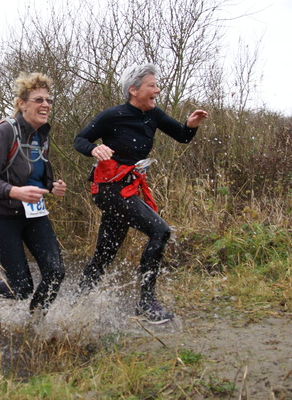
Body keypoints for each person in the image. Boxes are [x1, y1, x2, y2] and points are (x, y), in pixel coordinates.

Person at [73, 63, 208, 323]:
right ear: (134, 90)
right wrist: (93, 149)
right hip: (109, 188)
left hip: (127, 189)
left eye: (156, 85)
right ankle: (146, 304)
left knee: (105, 253)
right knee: (161, 231)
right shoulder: (112, 115)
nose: (157, 90)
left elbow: (182, 136)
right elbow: (80, 139)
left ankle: (76, 304)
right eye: (152, 86)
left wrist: (191, 125)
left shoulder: (154, 115)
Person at [0, 72, 67, 318]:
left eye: (48, 100)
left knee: (56, 273)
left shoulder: (41, 134)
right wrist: (15, 191)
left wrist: (53, 186)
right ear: (21, 104)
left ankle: (35, 327)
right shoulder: (4, 132)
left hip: (34, 215)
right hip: (3, 217)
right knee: (21, 287)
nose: (45, 104)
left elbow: (34, 173)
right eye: (38, 99)